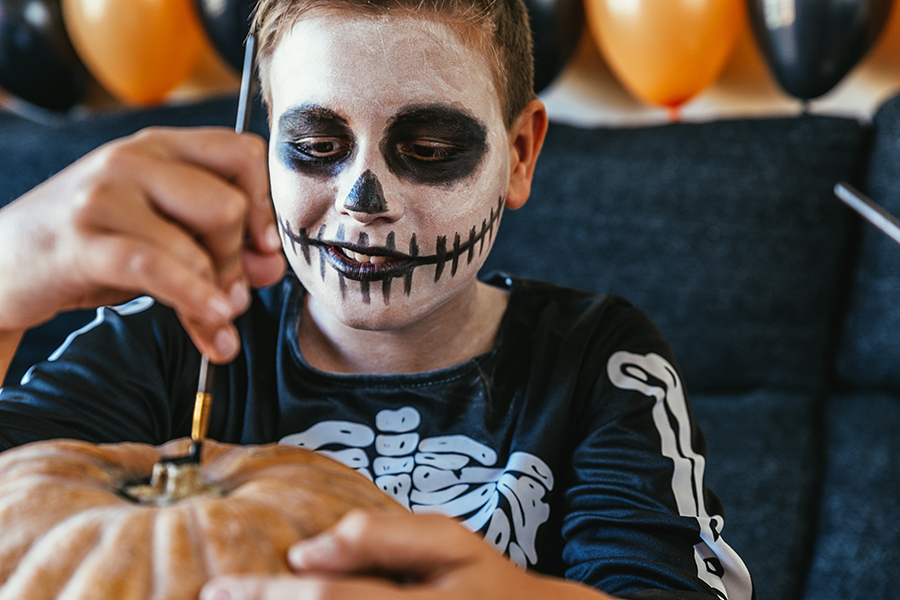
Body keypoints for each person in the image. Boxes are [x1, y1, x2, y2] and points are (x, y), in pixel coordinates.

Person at [0, 0, 754, 598]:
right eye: (317, 148)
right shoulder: (168, 344)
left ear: (519, 155)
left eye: (428, 151)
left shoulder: (599, 359)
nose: (363, 203)